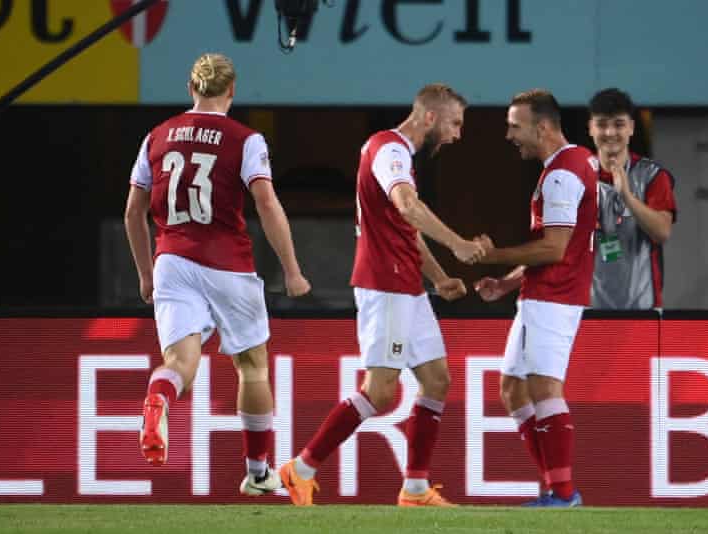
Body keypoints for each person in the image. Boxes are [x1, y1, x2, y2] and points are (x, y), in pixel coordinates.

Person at [277, 83, 485, 507]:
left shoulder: (398, 155)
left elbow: (406, 227)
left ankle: (415, 488)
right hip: (385, 284)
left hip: (406, 283)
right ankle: (300, 469)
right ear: (430, 117)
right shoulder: (390, 150)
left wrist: (440, 277)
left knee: (436, 380)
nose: (458, 134)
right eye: (455, 123)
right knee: (380, 391)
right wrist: (458, 244)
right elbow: (408, 207)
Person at [124, 53, 311, 497]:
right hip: (228, 264)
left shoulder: (157, 136)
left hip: (171, 261)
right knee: (252, 368)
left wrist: (146, 275)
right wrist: (292, 270)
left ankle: (159, 401)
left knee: (179, 365)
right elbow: (266, 204)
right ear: (232, 91)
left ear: (191, 89)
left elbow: (134, 213)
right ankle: (258, 471)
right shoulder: (246, 139)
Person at [473, 89, 598, 507]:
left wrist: (493, 254)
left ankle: (563, 493)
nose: (510, 135)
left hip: (554, 296)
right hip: (542, 294)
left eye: (515, 126)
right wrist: (507, 281)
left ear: (542, 127)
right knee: (512, 388)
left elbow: (554, 248)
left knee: (544, 387)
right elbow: (555, 247)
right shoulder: (575, 162)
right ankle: (555, 488)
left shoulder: (562, 174)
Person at [588, 88, 677, 309]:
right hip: (588, 312)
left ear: (631, 128)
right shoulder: (575, 177)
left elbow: (662, 232)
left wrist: (627, 197)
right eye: (601, 124)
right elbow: (557, 246)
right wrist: (510, 280)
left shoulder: (653, 176)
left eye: (618, 124)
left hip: (642, 309)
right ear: (590, 128)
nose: (610, 132)